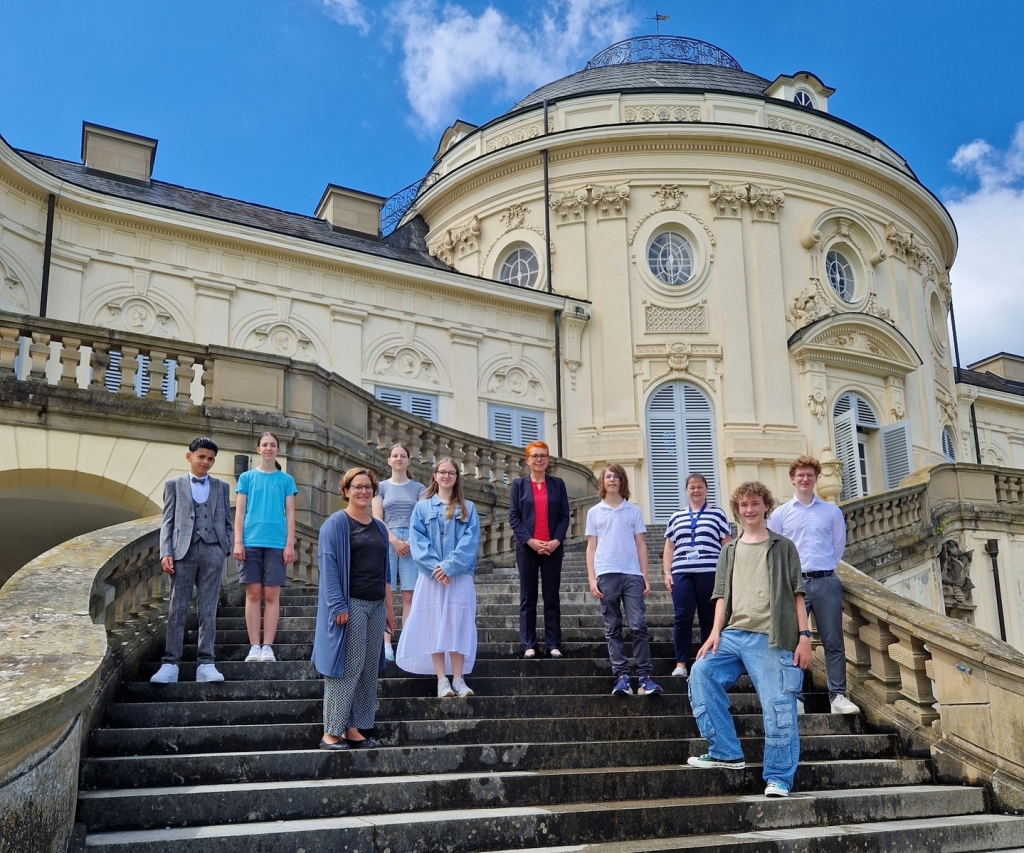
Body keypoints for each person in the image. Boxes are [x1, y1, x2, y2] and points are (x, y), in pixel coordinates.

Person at [686, 481, 811, 799]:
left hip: (771, 638)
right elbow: (719, 595)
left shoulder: (783, 547)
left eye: (755, 503)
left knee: (778, 706)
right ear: (737, 510)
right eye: (743, 505)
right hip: (731, 635)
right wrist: (715, 632)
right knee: (701, 673)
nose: (750, 509)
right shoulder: (728, 550)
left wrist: (804, 637)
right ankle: (725, 752)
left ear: (766, 506)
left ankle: (779, 777)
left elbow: (798, 594)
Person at [767, 455, 860, 715]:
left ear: (816, 478)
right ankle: (794, 696)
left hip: (826, 581)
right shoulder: (780, 514)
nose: (805, 479)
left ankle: (838, 697)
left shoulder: (831, 512)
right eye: (800, 475)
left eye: (810, 475)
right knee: (791, 639)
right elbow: (773, 550)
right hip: (793, 583)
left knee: (833, 640)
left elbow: (837, 547)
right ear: (792, 479)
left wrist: (823, 566)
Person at [312, 467, 394, 750]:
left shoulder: (380, 527)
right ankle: (331, 733)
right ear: (345, 491)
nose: (363, 491)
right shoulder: (336, 523)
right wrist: (337, 604)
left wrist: (390, 610)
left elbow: (386, 572)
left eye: (368, 487)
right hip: (351, 605)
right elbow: (328, 564)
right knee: (347, 667)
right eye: (357, 487)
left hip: (376, 605)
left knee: (368, 668)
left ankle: (353, 728)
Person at [395, 458, 480, 698]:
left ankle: (459, 678)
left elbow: (470, 543)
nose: (446, 476)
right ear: (435, 475)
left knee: (458, 624)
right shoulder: (422, 508)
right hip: (432, 577)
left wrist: (449, 567)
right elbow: (418, 541)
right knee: (433, 624)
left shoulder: (468, 508)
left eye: (451, 472)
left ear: (456, 477)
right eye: (442, 472)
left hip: (459, 576)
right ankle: (442, 679)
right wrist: (437, 568)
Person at [151, 437, 233, 684]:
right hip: (182, 551)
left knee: (208, 608)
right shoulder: (173, 485)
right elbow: (167, 521)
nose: (206, 462)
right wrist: (166, 551)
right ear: (190, 456)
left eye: (210, 459)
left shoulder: (221, 487)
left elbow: (227, 522)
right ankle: (170, 664)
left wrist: (224, 548)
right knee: (177, 608)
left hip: (212, 552)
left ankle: (206, 663)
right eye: (202, 457)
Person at [585, 464, 662, 697]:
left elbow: (640, 545)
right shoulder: (594, 512)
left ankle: (645, 678)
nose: (612, 480)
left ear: (622, 481)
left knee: (638, 625)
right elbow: (591, 547)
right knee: (613, 627)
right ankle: (622, 677)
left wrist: (645, 576)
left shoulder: (633, 511)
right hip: (606, 573)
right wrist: (591, 577)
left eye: (616, 476)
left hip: (631, 574)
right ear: (602, 482)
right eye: (608, 476)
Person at [233, 432, 297, 663]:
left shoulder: (286, 480)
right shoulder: (247, 478)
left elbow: (290, 514)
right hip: (250, 540)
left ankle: (268, 646)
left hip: (276, 543)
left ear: (278, 450)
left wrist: (290, 543)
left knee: (271, 593)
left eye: (273, 445)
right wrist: (238, 541)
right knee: (253, 593)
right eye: (265, 444)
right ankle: (254, 646)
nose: (269, 448)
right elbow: (239, 513)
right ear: (258, 449)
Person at [662, 473, 732, 678]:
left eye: (700, 487)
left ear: (706, 489)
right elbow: (669, 548)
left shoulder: (718, 514)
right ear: (686, 491)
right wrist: (667, 572)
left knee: (708, 618)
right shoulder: (676, 517)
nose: (696, 490)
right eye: (692, 487)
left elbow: (727, 545)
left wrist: (727, 573)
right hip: (681, 572)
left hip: (710, 572)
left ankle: (705, 662)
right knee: (681, 618)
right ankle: (681, 664)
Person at [509, 440, 571, 659]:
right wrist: (531, 541)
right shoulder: (518, 485)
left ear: (548, 460)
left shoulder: (558, 484)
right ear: (527, 460)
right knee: (528, 596)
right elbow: (514, 518)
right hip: (527, 548)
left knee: (551, 596)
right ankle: (529, 644)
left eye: (543, 456)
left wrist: (556, 541)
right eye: (534, 456)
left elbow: (565, 516)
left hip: (553, 548)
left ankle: (553, 643)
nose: (539, 460)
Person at [372, 443, 426, 662]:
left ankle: (407, 642)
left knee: (409, 595)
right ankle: (386, 644)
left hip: (412, 541)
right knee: (387, 594)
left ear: (408, 460)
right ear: (389, 460)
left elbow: (422, 517)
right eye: (394, 455)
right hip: (387, 540)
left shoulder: (419, 488)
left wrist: (411, 542)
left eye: (402, 455)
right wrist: (394, 541)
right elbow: (377, 518)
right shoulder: (381, 487)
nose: (398, 459)